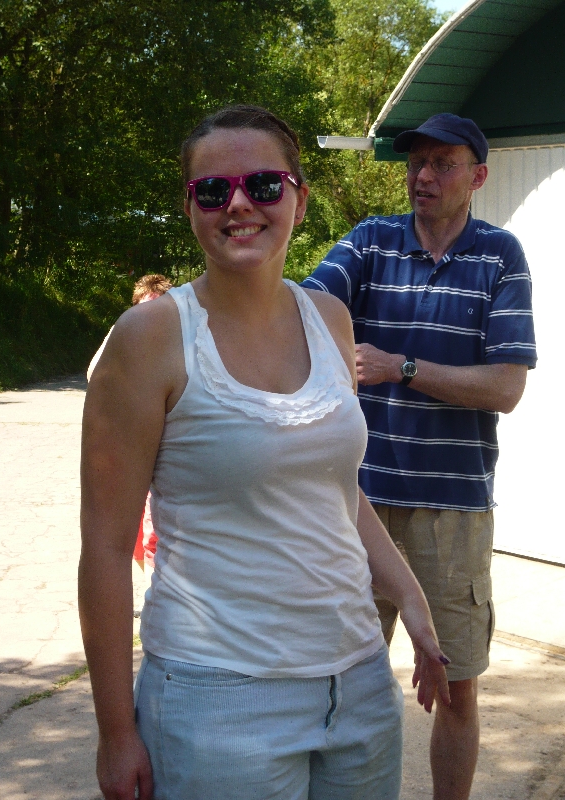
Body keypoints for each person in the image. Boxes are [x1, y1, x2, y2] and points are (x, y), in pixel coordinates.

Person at [79, 104, 450, 800]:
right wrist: (115, 731)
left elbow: (336, 491)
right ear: (190, 208)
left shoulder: (330, 319)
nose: (239, 204)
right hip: (216, 700)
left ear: (299, 200)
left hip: (359, 687)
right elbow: (104, 546)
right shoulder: (149, 338)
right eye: (213, 190)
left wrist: (410, 597)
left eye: (264, 184)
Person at [302, 113, 537, 800]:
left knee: (456, 688)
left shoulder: (500, 257)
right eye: (415, 163)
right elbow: (306, 306)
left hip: (452, 511)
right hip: (357, 505)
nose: (423, 176)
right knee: (337, 682)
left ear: (478, 177)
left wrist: (399, 367)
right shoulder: (370, 242)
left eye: (442, 164)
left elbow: (506, 387)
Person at [87, 273, 172, 584]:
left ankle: (156, 589)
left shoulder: (181, 338)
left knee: (155, 526)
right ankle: (151, 586)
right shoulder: (124, 334)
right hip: (130, 449)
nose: (150, 315)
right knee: (133, 530)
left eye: (158, 307)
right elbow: (94, 374)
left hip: (168, 450)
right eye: (143, 307)